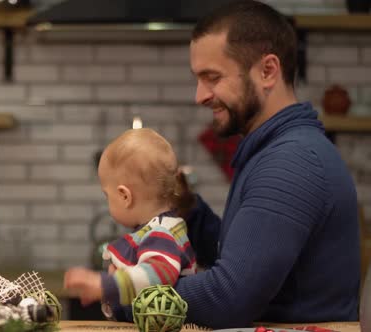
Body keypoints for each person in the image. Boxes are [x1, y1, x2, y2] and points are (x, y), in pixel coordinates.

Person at [172, 0, 360, 328]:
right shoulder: (275, 149)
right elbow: (244, 261)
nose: (199, 95)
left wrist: (126, 292)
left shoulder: (292, 162)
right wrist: (189, 211)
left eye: (212, 77)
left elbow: (230, 297)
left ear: (267, 70)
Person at [64, 128, 197, 322]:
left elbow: (159, 274)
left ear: (125, 196)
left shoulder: (160, 233)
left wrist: (103, 285)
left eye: (107, 195)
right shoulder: (163, 227)